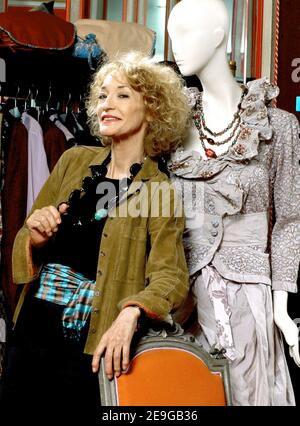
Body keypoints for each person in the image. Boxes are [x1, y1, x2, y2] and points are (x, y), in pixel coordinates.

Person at [0, 52, 190, 420]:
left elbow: (172, 275)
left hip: (94, 341)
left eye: (122, 95)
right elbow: (26, 231)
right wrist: (36, 235)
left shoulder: (159, 190)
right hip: (34, 329)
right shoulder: (73, 160)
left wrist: (131, 312)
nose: (107, 104)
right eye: (102, 96)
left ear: (151, 109)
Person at [167, 0, 300, 406]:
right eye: (171, 35)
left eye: (186, 32)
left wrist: (282, 308)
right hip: (180, 299)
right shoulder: (171, 124)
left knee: (245, 393)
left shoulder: (277, 126)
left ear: (219, 35)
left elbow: (289, 222)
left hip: (250, 298)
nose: (176, 46)